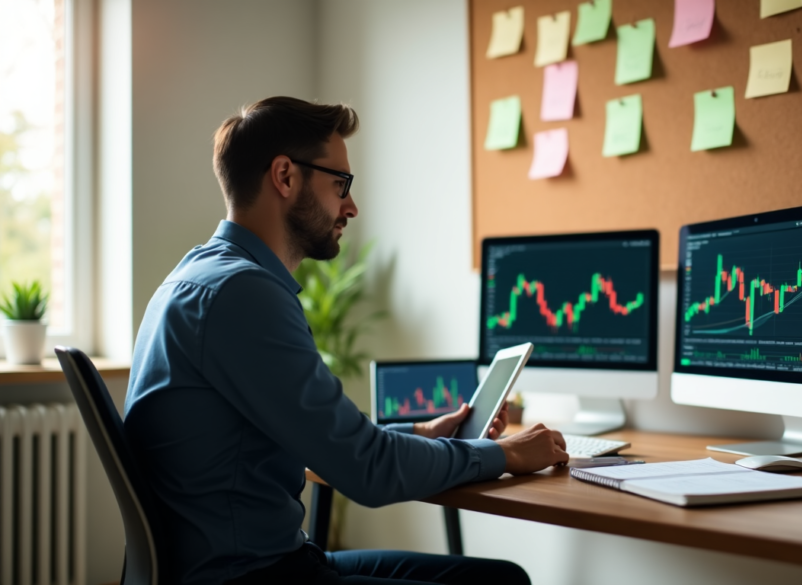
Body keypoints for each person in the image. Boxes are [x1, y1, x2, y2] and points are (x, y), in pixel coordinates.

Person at [124, 96, 570, 585]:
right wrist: (506, 454)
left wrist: (421, 435)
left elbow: (333, 445)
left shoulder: (201, 275)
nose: (351, 206)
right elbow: (368, 473)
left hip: (256, 561)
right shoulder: (243, 294)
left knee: (493, 577)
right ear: (285, 177)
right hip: (252, 575)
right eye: (341, 184)